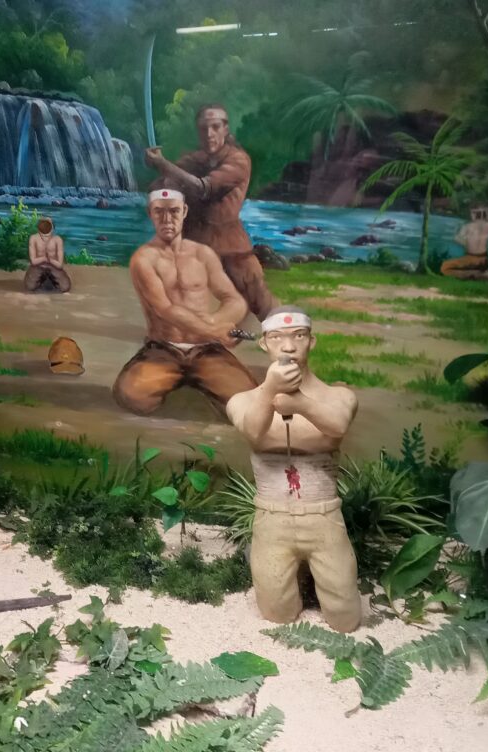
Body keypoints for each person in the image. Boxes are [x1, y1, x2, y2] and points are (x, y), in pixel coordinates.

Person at [226, 305, 361, 632]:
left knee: (345, 618)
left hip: (324, 518)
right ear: (264, 344)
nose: (288, 347)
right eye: (277, 338)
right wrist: (270, 391)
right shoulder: (243, 401)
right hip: (273, 520)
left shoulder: (338, 397)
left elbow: (337, 426)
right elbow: (253, 432)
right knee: (277, 613)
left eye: (298, 336)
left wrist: (300, 403)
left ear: (311, 341)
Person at [113, 187, 257, 415]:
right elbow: (164, 309)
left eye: (174, 211)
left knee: (249, 401)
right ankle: (180, 382)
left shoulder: (203, 254)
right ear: (150, 213)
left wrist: (215, 322)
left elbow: (235, 300)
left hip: (206, 350)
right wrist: (212, 330)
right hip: (164, 349)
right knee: (132, 396)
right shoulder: (143, 258)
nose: (167, 219)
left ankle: (199, 380)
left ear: (185, 211)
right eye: (159, 212)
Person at [145, 104, 279, 319]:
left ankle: (285, 330)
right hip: (193, 241)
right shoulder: (194, 160)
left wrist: (163, 165)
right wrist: (162, 182)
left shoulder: (238, 160)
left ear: (225, 129)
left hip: (229, 245)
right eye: (203, 128)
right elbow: (168, 184)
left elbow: (203, 188)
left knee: (257, 297)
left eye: (215, 127)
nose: (209, 134)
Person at [441, 204, 488, 280]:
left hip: (472, 259)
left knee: (445, 267)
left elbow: (457, 239)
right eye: (473, 213)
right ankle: (482, 273)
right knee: (463, 263)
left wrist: (466, 243)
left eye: (475, 213)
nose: (474, 215)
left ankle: (477, 274)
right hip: (485, 260)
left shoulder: (468, 226)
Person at [24, 216, 71, 293]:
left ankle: (50, 281)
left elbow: (59, 265)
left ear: (52, 227)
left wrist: (50, 260)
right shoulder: (33, 238)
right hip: (38, 266)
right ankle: (42, 281)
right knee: (30, 286)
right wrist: (44, 259)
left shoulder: (57, 240)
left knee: (65, 287)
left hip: (53, 266)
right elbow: (33, 261)